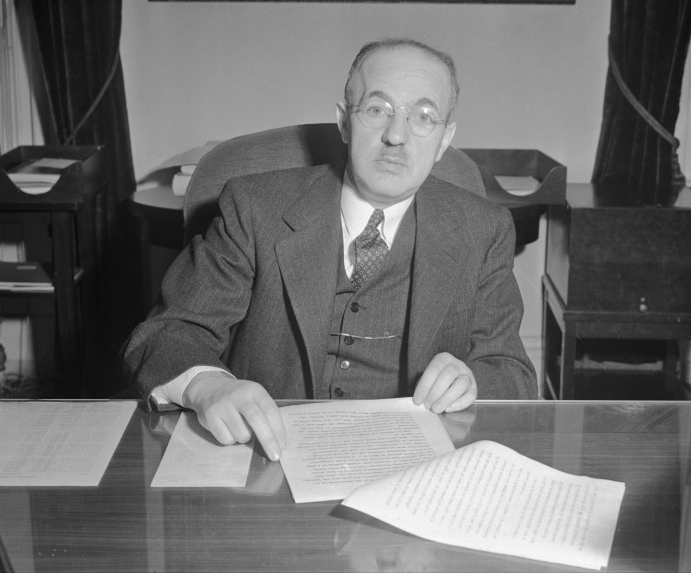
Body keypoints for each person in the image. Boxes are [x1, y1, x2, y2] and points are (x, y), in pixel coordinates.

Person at [122, 38, 537, 462]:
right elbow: (166, 334)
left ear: (445, 138)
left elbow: (511, 370)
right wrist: (210, 386)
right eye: (377, 110)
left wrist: (471, 380)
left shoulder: (482, 229)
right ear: (343, 121)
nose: (397, 135)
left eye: (424, 117)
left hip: (410, 465)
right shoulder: (254, 209)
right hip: (268, 459)